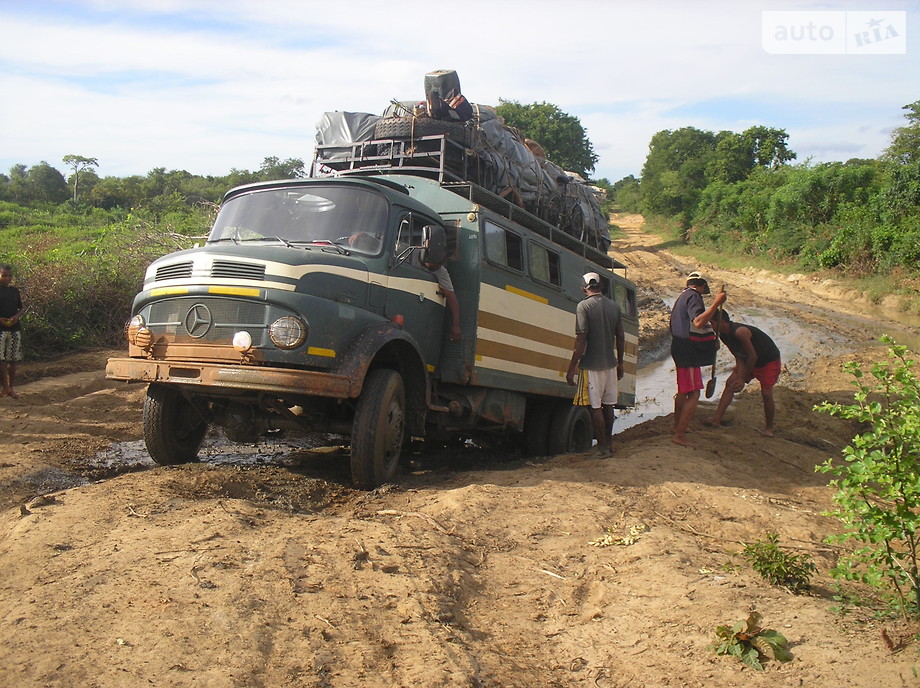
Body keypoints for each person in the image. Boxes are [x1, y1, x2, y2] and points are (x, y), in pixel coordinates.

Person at [566, 272, 625, 457]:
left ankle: (602, 448)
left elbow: (581, 339)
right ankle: (608, 444)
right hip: (611, 364)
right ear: (601, 287)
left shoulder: (583, 306)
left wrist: (571, 368)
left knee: (595, 407)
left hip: (591, 365)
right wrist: (621, 363)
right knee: (608, 405)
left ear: (584, 288)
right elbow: (621, 337)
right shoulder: (614, 307)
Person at [669, 271, 726, 447]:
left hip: (679, 348)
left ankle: (678, 427)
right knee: (694, 392)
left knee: (683, 390)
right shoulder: (694, 297)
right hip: (688, 351)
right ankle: (679, 434)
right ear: (700, 285)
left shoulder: (683, 297)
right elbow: (699, 322)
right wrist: (716, 303)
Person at [705, 311, 782, 436]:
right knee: (731, 383)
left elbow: (753, 356)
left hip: (767, 361)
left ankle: (769, 428)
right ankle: (716, 419)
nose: (710, 326)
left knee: (767, 394)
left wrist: (742, 379)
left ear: (721, 322)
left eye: (711, 323)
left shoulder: (740, 332)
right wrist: (740, 377)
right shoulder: (723, 335)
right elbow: (738, 356)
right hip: (748, 360)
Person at [409, 251, 462, 341]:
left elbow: (451, 297)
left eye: (440, 264)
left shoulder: (440, 271)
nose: (438, 267)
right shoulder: (408, 254)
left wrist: (456, 324)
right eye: (437, 263)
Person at [0, 264, 26, 399]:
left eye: (9, 276)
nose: (7, 278)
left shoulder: (14, 291)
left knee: (13, 360)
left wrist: (16, 317)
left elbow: (21, 309)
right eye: (4, 275)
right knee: (0, 359)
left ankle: (11, 388)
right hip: (1, 330)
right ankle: (5, 387)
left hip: (14, 329)